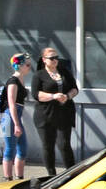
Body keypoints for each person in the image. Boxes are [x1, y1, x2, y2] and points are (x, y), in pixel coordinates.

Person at [30, 46, 79, 178]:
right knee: (48, 145)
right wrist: (53, 96)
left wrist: (67, 96)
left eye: (56, 58)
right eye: (51, 58)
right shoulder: (39, 75)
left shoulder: (64, 72)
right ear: (44, 60)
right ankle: (51, 176)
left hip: (64, 114)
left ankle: (72, 174)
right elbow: (36, 94)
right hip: (45, 115)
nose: (55, 60)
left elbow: (75, 88)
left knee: (64, 144)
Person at [0, 53, 32, 180]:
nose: (29, 67)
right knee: (10, 148)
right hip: (9, 118)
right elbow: (11, 104)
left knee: (22, 148)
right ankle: (7, 178)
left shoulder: (21, 79)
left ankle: (19, 177)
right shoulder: (13, 81)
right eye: (27, 65)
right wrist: (17, 125)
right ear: (19, 65)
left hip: (16, 117)